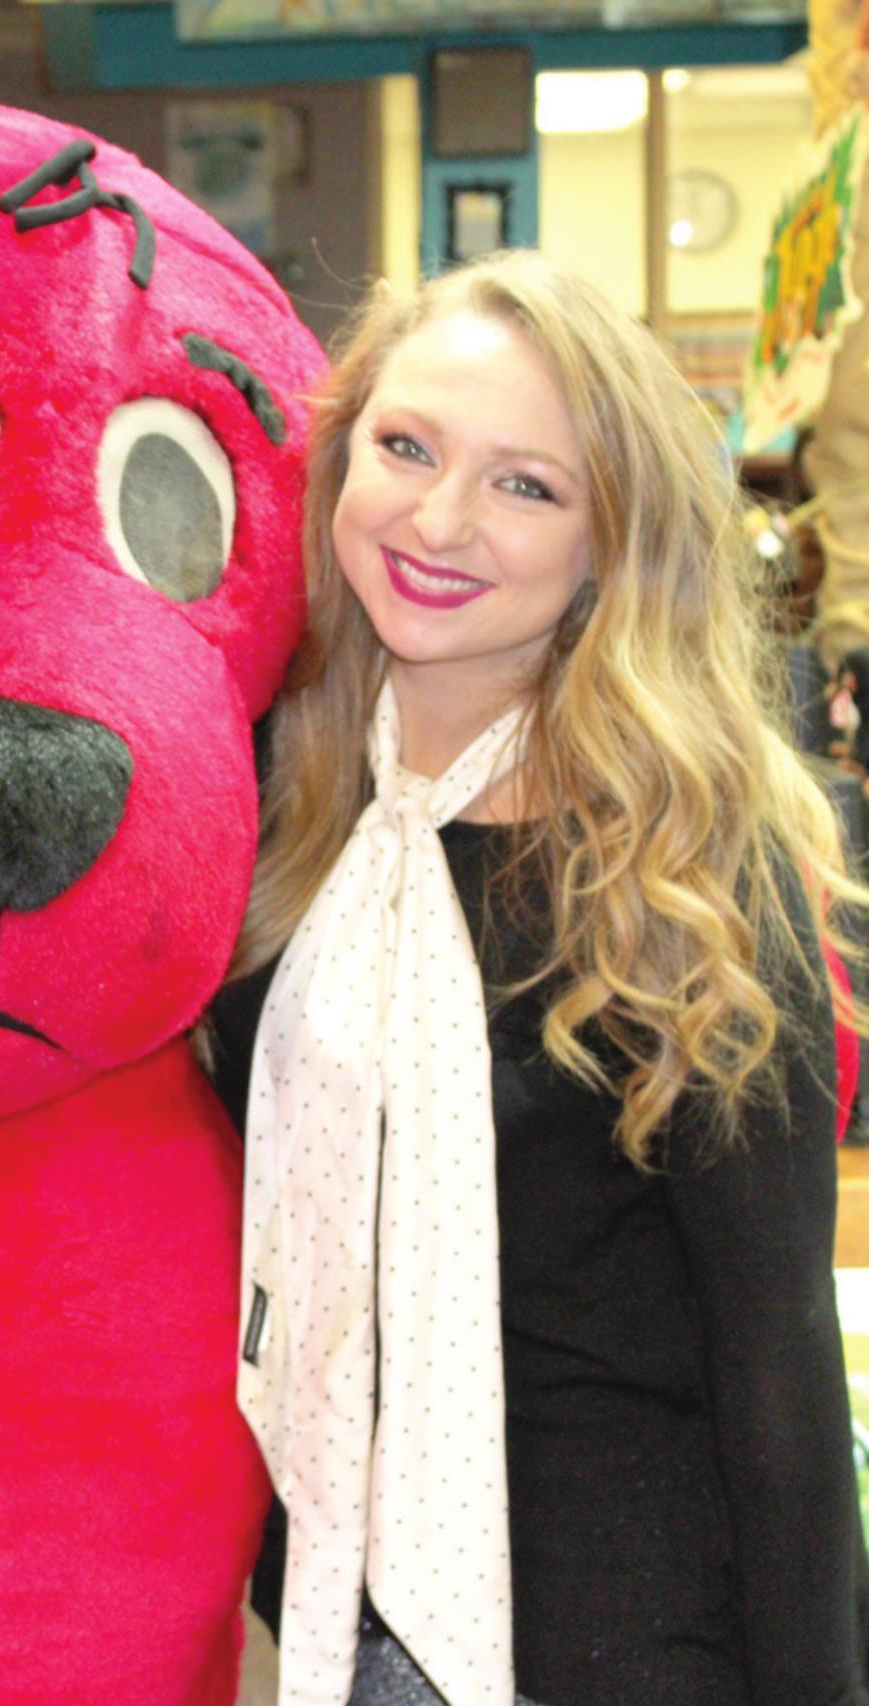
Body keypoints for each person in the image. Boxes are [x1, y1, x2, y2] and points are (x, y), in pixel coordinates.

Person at [210, 250, 869, 1706]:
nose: (441, 520)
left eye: (528, 485)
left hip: (629, 1644)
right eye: (407, 446)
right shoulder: (274, 807)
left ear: (609, 545)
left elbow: (778, 1367)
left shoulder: (691, 872)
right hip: (324, 1625)